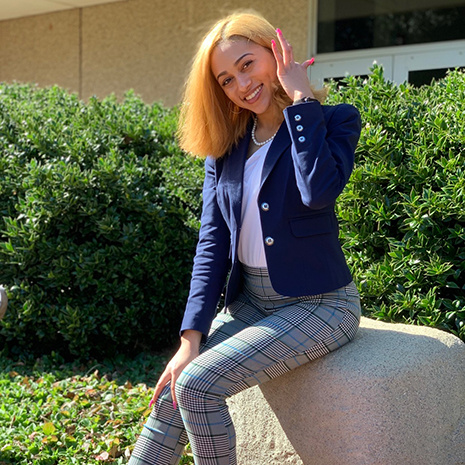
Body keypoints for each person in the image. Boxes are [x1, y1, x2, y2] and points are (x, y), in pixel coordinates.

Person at [129, 11, 362, 465]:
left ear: (274, 52)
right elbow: (212, 244)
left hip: (320, 305)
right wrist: (190, 337)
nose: (240, 83)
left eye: (247, 64)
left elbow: (318, 191)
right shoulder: (228, 147)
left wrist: (299, 100)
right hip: (250, 303)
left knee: (197, 386)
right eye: (226, 79)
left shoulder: (331, 120)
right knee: (171, 391)